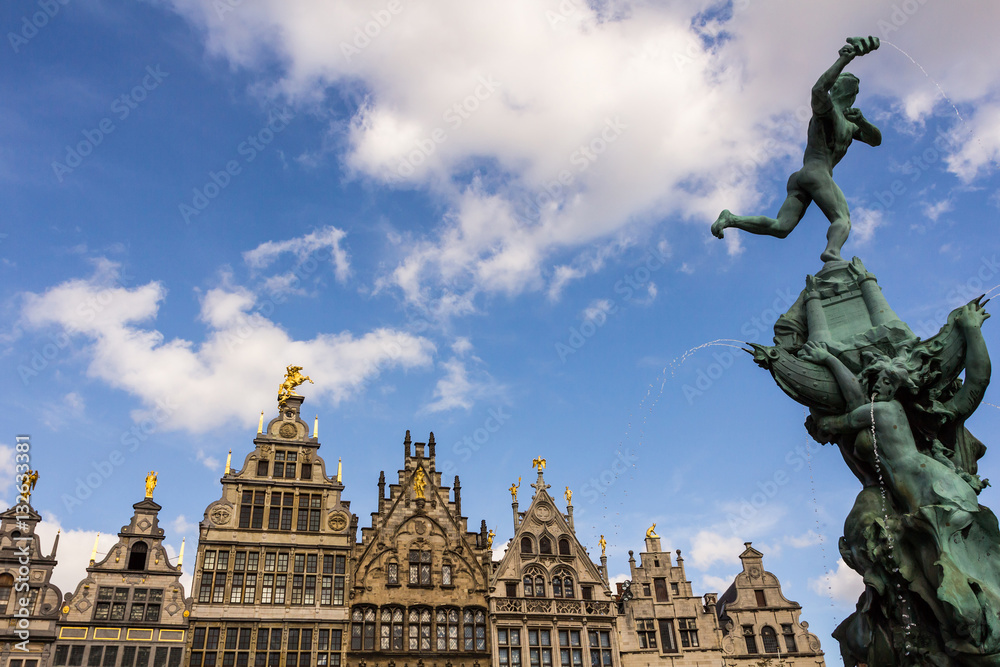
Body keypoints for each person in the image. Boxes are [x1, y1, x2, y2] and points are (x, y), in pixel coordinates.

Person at [712, 36, 882, 263]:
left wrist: (863, 122)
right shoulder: (828, 112)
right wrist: (843, 60)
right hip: (817, 173)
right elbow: (819, 90)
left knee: (781, 227)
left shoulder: (850, 124)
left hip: (801, 176)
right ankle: (832, 252)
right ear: (848, 94)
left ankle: (731, 219)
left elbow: (875, 139)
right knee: (842, 219)